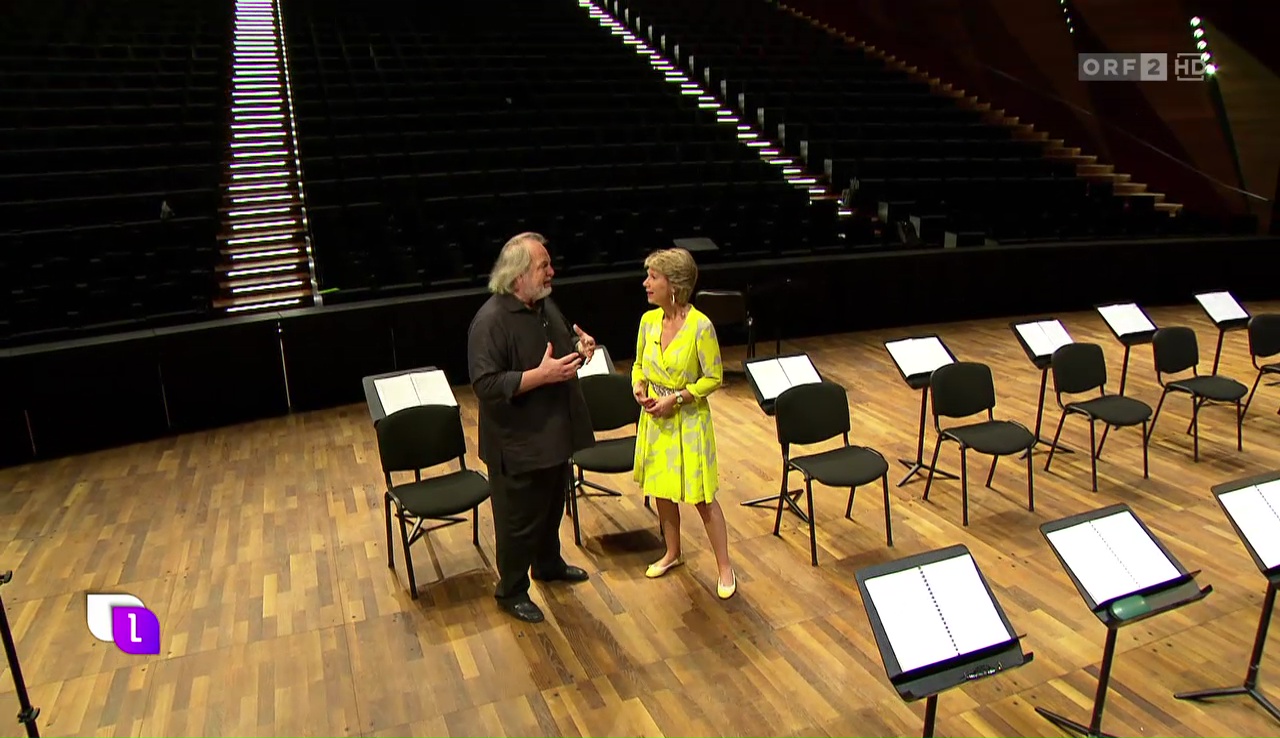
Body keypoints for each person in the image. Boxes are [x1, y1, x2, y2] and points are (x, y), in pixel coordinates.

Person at [467, 232, 599, 623]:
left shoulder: (543, 305)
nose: (552, 271)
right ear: (518, 275)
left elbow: (558, 351)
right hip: (518, 444)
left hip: (554, 435)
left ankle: (548, 563)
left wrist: (581, 348)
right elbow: (485, 384)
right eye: (544, 266)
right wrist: (539, 377)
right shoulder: (490, 321)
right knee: (518, 523)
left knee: (551, 508)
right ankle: (511, 590)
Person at [630, 248, 736, 599]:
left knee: (702, 497)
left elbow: (714, 377)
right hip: (655, 419)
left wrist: (675, 399)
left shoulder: (700, 326)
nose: (646, 283)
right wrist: (639, 387)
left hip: (688, 420)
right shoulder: (648, 322)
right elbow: (638, 365)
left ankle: (725, 568)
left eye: (653, 277)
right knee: (661, 490)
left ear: (674, 284)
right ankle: (672, 552)